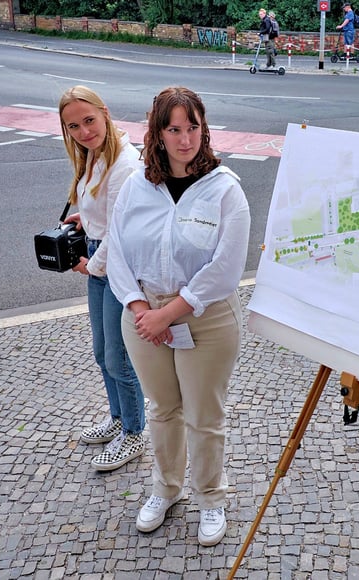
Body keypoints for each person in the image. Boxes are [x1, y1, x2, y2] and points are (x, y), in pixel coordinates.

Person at [106, 86, 250, 547]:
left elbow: (225, 270)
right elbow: (119, 253)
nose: (185, 139)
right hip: (143, 314)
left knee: (205, 415)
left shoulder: (225, 189)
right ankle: (165, 489)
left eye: (193, 127)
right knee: (163, 409)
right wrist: (139, 307)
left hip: (204, 319)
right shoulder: (136, 186)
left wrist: (170, 313)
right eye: (174, 129)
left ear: (204, 130)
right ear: (158, 133)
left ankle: (210, 497)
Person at [58, 86, 147, 473]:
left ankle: (133, 432)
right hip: (99, 259)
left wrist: (91, 265)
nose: (83, 132)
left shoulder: (125, 163)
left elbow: (123, 230)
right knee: (101, 352)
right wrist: (85, 220)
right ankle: (117, 417)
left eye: (88, 121)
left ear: (105, 113)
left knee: (119, 357)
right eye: (73, 126)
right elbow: (106, 211)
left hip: (117, 267)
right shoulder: (94, 156)